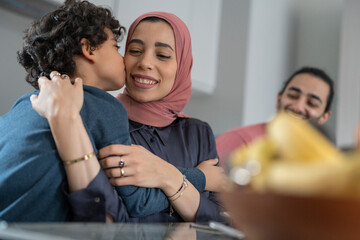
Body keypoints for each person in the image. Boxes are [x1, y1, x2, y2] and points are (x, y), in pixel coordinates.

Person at [31, 10, 225, 222]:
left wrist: (167, 175)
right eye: (134, 50)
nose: (145, 62)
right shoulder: (102, 121)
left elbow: (220, 220)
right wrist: (193, 179)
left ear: (183, 65)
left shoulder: (198, 132)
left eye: (163, 55)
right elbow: (114, 216)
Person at [0, 0, 130, 221]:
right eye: (116, 48)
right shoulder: (105, 106)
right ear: (89, 49)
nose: (124, 59)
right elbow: (132, 198)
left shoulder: (20, 107)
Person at [216, 67, 335, 164]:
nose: (298, 107)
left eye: (312, 103)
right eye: (293, 96)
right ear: (279, 99)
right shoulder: (238, 141)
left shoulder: (326, 158)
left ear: (324, 117)